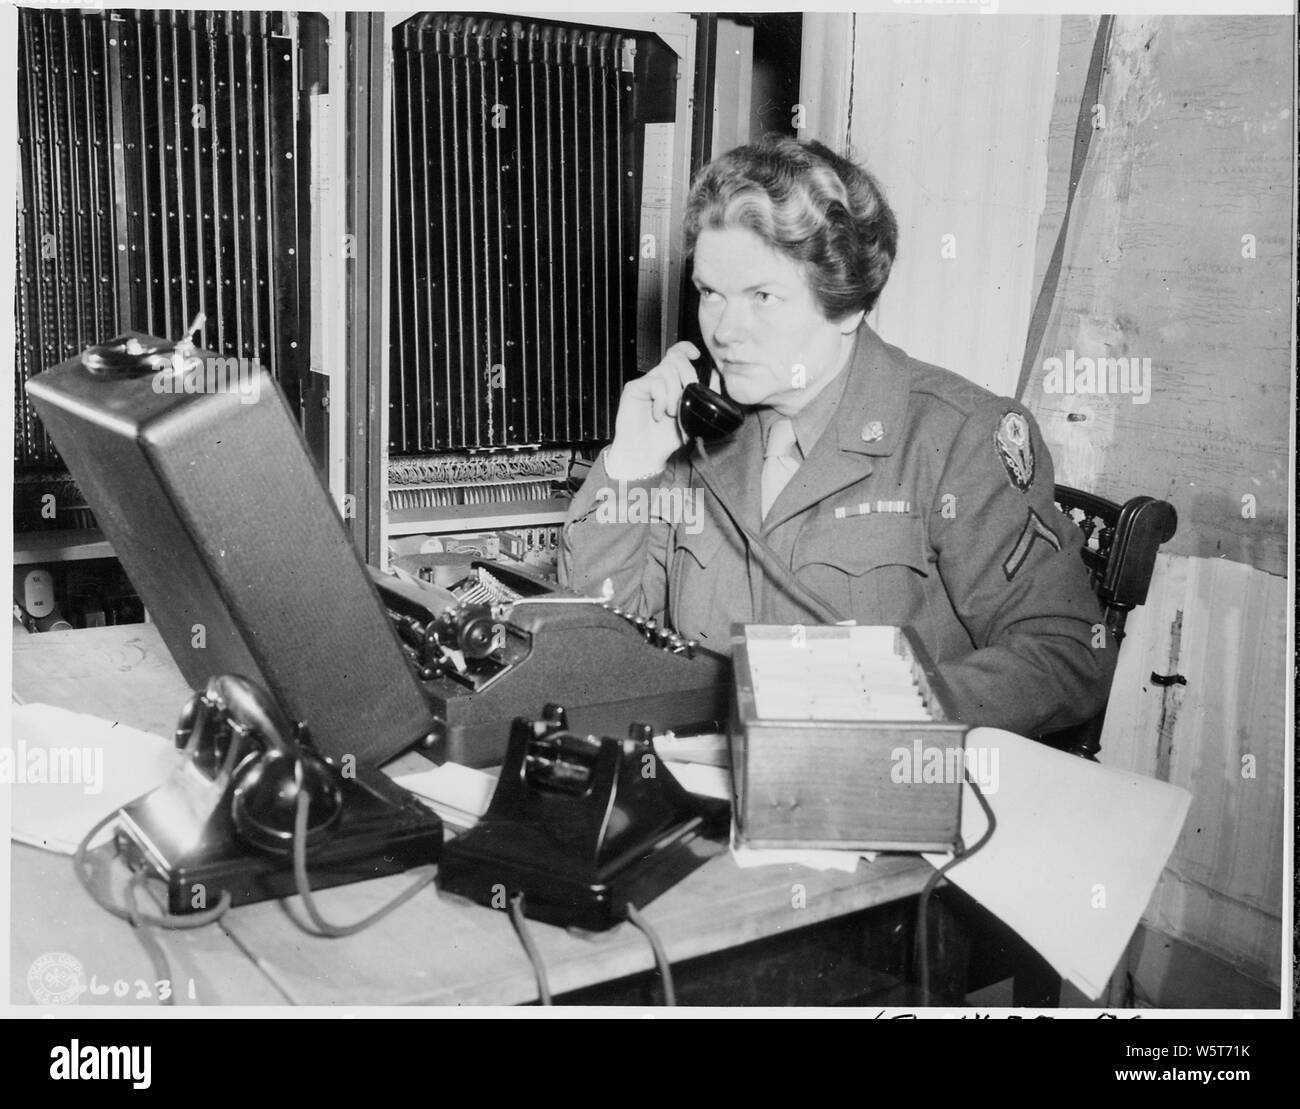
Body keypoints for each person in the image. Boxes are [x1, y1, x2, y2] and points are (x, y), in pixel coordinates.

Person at [559, 135, 1113, 737]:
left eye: (762, 296)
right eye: (710, 293)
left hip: (879, 792)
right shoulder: (698, 435)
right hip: (712, 783)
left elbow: (1069, 654)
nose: (725, 330)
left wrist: (880, 708)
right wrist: (631, 465)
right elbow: (599, 655)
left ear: (846, 305)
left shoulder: (956, 437)